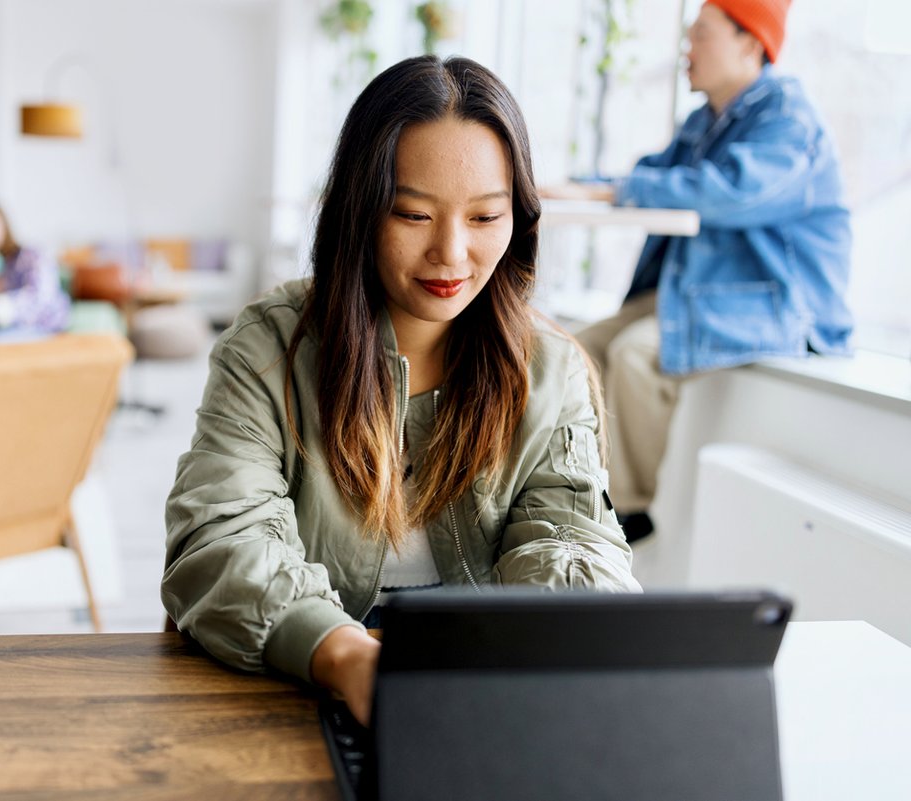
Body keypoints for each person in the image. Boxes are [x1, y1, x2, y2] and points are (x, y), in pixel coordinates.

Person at [162, 55, 640, 727]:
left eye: (484, 218)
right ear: (360, 213)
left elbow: (574, 542)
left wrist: (514, 652)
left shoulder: (551, 369)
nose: (451, 253)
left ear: (519, 219)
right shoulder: (269, 348)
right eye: (413, 214)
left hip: (481, 697)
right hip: (290, 685)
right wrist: (342, 652)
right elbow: (220, 540)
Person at [547, 0, 852, 542]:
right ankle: (560, 485)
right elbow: (647, 176)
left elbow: (725, 192)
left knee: (635, 356)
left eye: (702, 36)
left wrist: (609, 190)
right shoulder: (703, 120)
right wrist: (568, 183)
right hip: (697, 294)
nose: (688, 49)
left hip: (774, 305)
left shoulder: (790, 120)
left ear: (750, 45)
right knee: (566, 349)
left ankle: (626, 509)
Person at [0, 200, 70, 333]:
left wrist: (1, 307)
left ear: (1, 227)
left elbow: (43, 299)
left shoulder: (32, 258)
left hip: (42, 331)